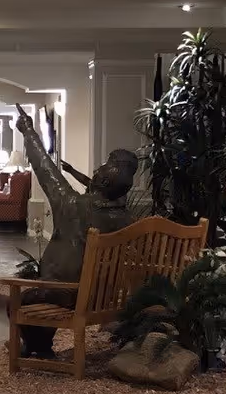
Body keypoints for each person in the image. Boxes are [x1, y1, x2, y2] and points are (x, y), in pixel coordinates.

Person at [13, 104, 139, 357]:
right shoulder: (127, 219)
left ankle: (39, 346)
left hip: (69, 295)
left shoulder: (73, 206)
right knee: (46, 292)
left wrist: (28, 130)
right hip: (102, 297)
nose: (95, 169)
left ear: (102, 180)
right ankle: (40, 345)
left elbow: (45, 169)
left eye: (101, 167)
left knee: (20, 299)